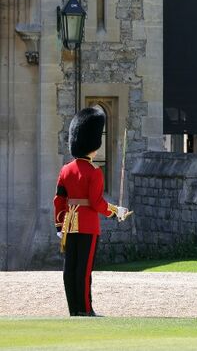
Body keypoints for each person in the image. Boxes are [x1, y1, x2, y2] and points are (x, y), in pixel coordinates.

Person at [54, 107, 129, 316]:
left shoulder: (65, 170)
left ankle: (74, 309)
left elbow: (59, 199)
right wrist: (116, 212)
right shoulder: (94, 171)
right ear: (92, 144)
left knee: (70, 269)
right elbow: (96, 203)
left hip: (69, 224)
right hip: (87, 224)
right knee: (84, 270)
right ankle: (86, 310)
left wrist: (59, 226)